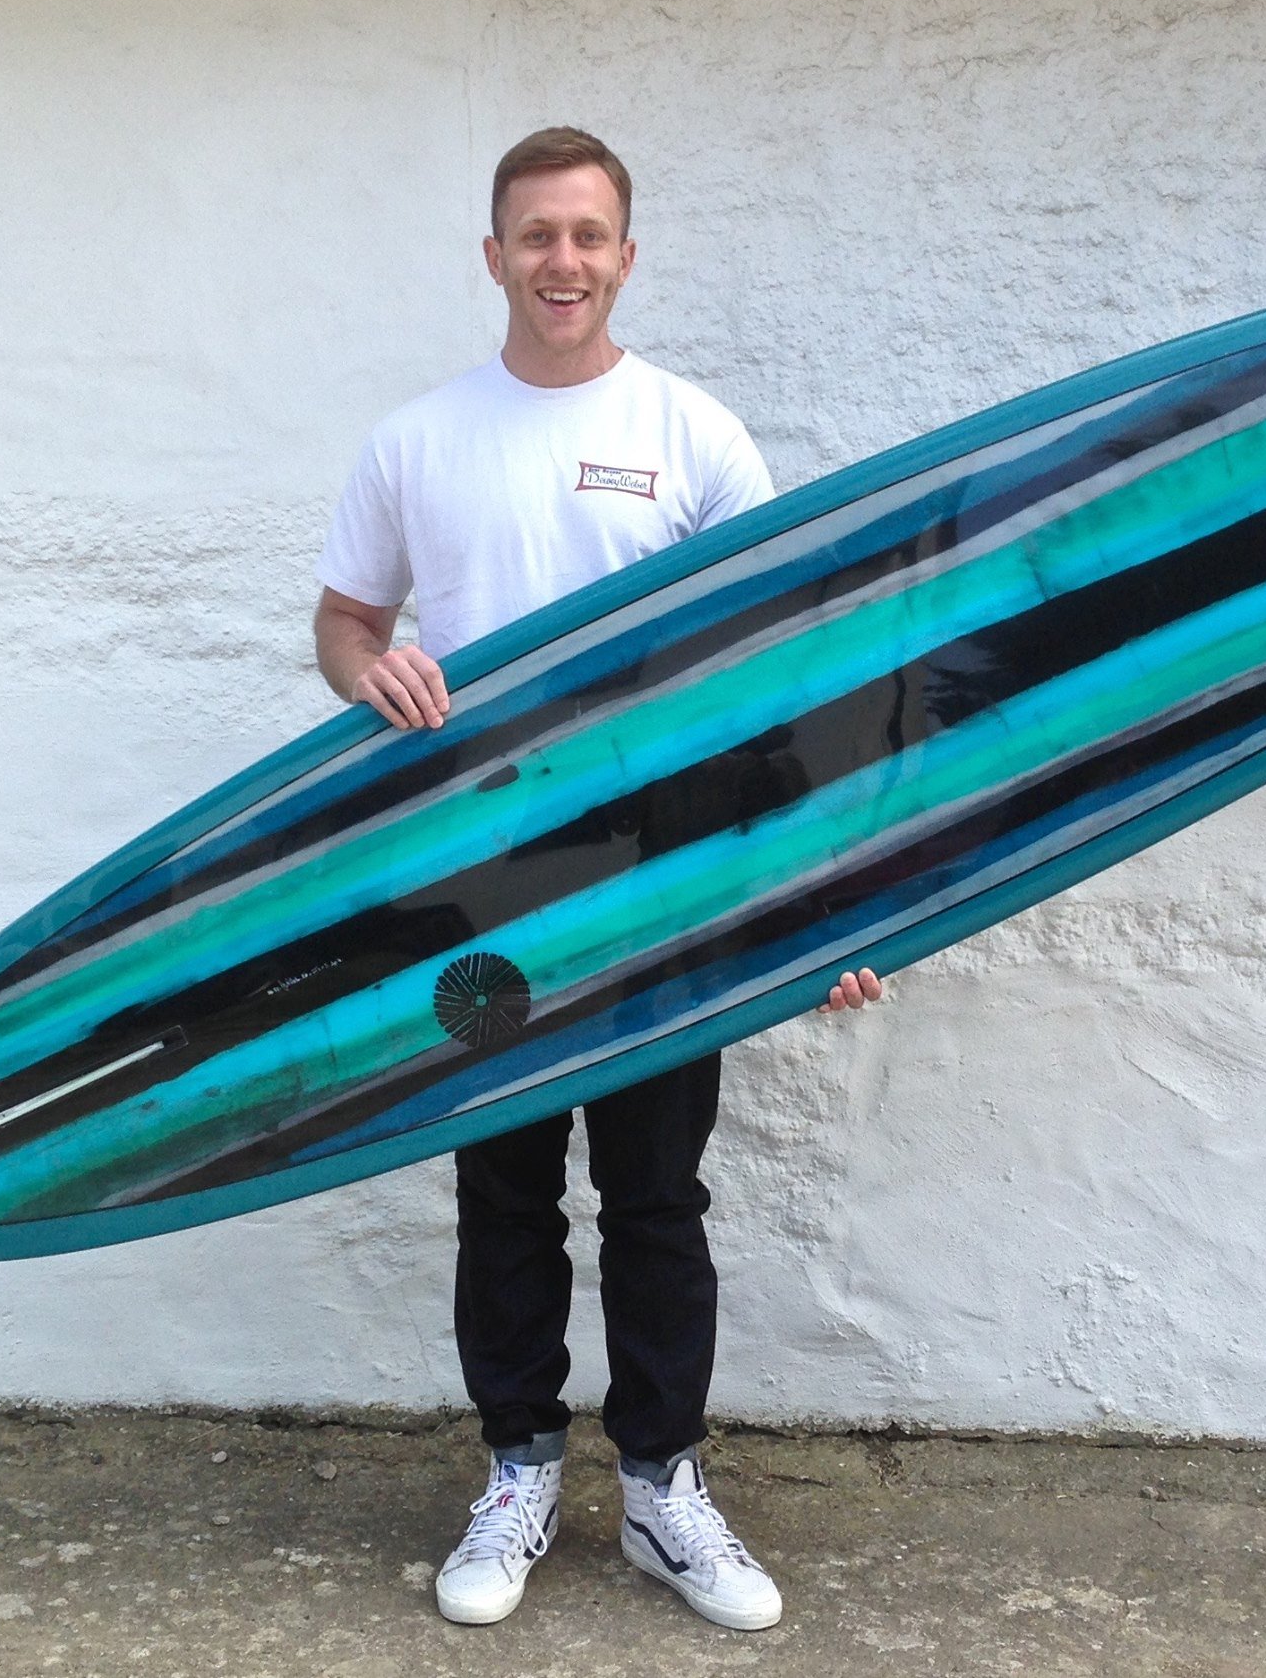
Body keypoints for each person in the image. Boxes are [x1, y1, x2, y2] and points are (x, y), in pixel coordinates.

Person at [312, 127, 884, 1633]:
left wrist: (814, 904)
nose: (561, 260)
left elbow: (778, 693)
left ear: (627, 254)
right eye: (534, 234)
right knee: (504, 1186)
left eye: (587, 234)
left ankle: (658, 1488)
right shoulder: (416, 441)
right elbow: (346, 622)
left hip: (670, 878)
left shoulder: (695, 436)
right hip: (487, 878)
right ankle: (515, 1470)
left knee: (654, 1193)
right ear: (490, 254)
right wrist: (372, 678)